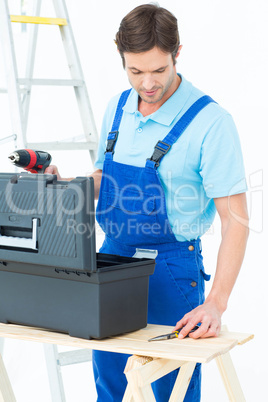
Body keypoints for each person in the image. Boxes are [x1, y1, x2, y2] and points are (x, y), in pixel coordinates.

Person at [46, 4, 249, 401]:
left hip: (171, 271)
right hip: (111, 262)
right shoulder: (118, 107)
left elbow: (236, 219)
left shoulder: (212, 123)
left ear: (178, 53)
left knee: (169, 388)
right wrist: (67, 187)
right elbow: (105, 178)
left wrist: (216, 304)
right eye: (135, 71)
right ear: (121, 58)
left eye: (158, 70)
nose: (148, 83)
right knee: (111, 385)